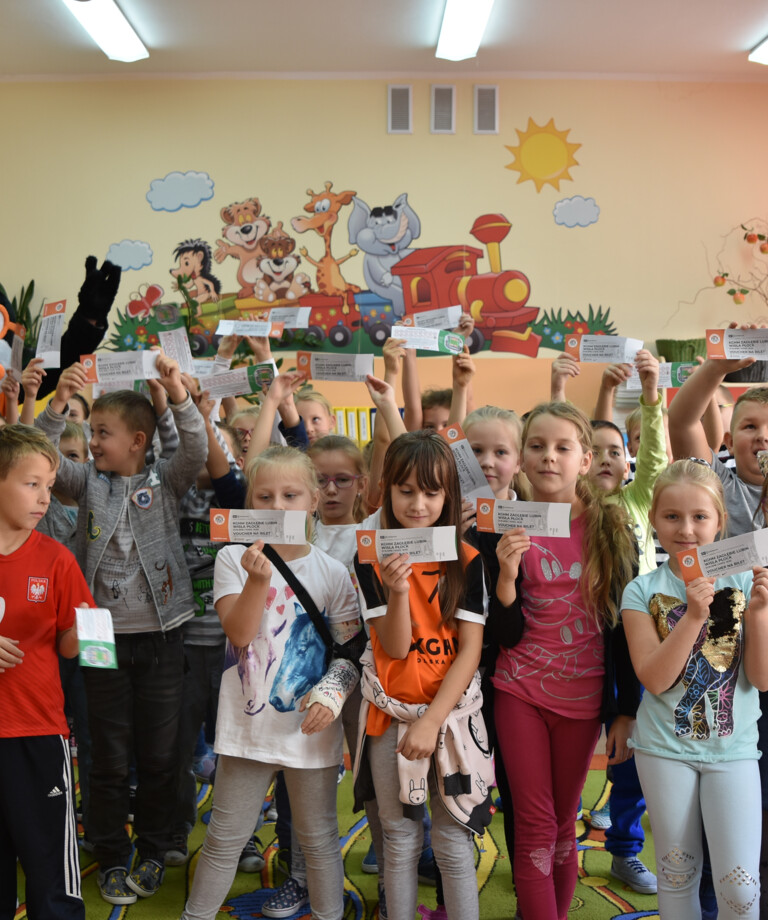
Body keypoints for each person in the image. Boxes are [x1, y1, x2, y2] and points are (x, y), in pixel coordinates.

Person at [35, 354, 208, 905]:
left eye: (102, 433)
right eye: (89, 434)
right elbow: (44, 456)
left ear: (138, 440)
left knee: (160, 754)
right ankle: (110, 853)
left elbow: (197, 450)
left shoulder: (166, 481)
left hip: (161, 638)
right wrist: (57, 405)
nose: (92, 444)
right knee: (106, 754)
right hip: (96, 635)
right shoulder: (87, 483)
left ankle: (155, 849)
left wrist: (177, 394)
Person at [181, 445, 361, 920]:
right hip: (246, 731)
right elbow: (240, 635)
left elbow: (349, 653)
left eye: (290, 494)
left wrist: (334, 692)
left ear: (313, 500)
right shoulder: (232, 560)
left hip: (311, 729)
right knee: (223, 837)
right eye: (264, 496)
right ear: (249, 505)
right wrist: (256, 581)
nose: (277, 507)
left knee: (319, 840)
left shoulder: (334, 573)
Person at [490, 402, 640, 920]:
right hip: (519, 690)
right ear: (521, 459)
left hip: (583, 697)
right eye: (536, 446)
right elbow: (503, 636)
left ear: (584, 460)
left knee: (561, 821)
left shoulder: (611, 528)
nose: (548, 457)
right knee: (532, 822)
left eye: (562, 447)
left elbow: (624, 627)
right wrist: (505, 578)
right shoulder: (504, 523)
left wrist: (625, 709)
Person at [353, 430, 494, 920]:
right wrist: (396, 591)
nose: (418, 504)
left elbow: (470, 650)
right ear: (387, 490)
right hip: (389, 718)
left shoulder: (468, 558)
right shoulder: (370, 553)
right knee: (398, 839)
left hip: (450, 719)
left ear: (448, 497)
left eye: (432, 492)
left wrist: (433, 721)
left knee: (454, 841)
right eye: (406, 490)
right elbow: (392, 647)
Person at [621, 459, 768, 918]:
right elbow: (655, 677)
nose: (686, 528)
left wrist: (760, 612)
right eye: (672, 516)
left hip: (734, 750)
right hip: (664, 749)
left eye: (700, 517)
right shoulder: (641, 591)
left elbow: (761, 679)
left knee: (741, 890)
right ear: (654, 521)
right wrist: (694, 616)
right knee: (676, 874)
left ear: (720, 522)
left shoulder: (745, 581)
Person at [0, 424, 94, 920]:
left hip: (37, 730)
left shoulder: (57, 560)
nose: (44, 498)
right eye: (31, 483)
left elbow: (82, 646)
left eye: (49, 485)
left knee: (51, 875)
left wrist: (87, 634)